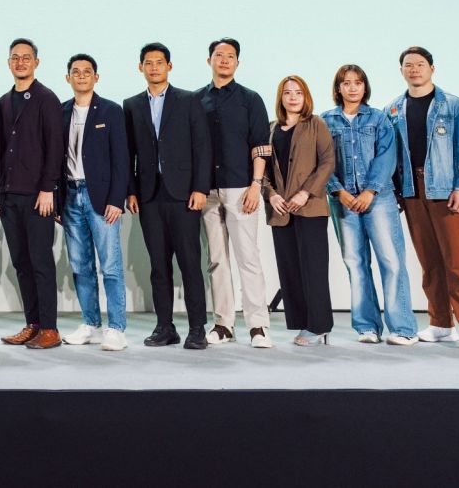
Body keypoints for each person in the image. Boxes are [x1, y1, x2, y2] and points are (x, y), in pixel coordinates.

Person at [386, 46, 459, 349]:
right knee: (429, 263)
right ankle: (441, 324)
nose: (414, 69)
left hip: (445, 190)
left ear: (432, 68)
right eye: (408, 65)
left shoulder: (454, 106)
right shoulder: (392, 110)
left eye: (420, 64)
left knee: (458, 261)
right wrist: (396, 191)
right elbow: (391, 156)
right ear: (401, 71)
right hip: (412, 190)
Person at [124, 42, 212, 351]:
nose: (154, 67)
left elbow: (202, 147)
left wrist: (200, 188)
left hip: (184, 195)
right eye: (148, 63)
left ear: (169, 66)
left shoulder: (189, 100)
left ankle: (197, 328)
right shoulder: (131, 105)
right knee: (158, 266)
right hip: (149, 195)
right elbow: (128, 153)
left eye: (159, 62)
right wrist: (131, 191)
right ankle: (165, 327)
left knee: (190, 264)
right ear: (141, 67)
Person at [322, 64, 417, 345]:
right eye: (346, 83)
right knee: (356, 263)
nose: (352, 87)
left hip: (379, 199)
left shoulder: (379, 119)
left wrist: (370, 191)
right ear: (338, 88)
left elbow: (387, 157)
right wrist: (338, 191)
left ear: (365, 87)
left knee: (392, 261)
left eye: (358, 82)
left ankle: (402, 328)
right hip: (343, 202)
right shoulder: (325, 121)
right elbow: (322, 161)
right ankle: (367, 327)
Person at [196, 37, 274, 349]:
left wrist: (256, 185)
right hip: (207, 190)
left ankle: (258, 326)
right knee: (216, 260)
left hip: (241, 188)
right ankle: (223, 324)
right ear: (209, 61)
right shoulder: (196, 100)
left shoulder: (250, 99)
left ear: (237, 63)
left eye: (230, 56)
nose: (225, 60)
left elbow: (261, 146)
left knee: (248, 258)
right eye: (219, 55)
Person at [0, 38, 65, 350]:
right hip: (9, 195)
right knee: (21, 263)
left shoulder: (47, 99)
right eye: (15, 57)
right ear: (8, 62)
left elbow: (55, 147)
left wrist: (48, 188)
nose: (20, 62)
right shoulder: (3, 103)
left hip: (38, 196)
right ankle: (33, 324)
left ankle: (50, 328)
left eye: (26, 57)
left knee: (41, 262)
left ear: (37, 62)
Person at [59, 54, 130, 350]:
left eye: (87, 71)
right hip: (70, 195)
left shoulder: (111, 111)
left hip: (101, 197)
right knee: (80, 265)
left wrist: (117, 199)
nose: (81, 76)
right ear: (68, 78)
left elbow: (122, 159)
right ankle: (90, 323)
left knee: (110, 265)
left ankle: (116, 328)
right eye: (75, 72)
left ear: (96, 77)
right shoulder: (61, 111)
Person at [264, 74, 336, 346]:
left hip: (310, 208)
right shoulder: (271, 129)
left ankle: (319, 326)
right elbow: (263, 169)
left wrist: (306, 192)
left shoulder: (316, 124)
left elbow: (327, 161)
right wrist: (270, 195)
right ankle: (303, 323)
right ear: (280, 98)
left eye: (298, 92)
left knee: (313, 268)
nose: (293, 97)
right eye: (287, 92)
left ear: (306, 97)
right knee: (290, 269)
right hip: (280, 210)